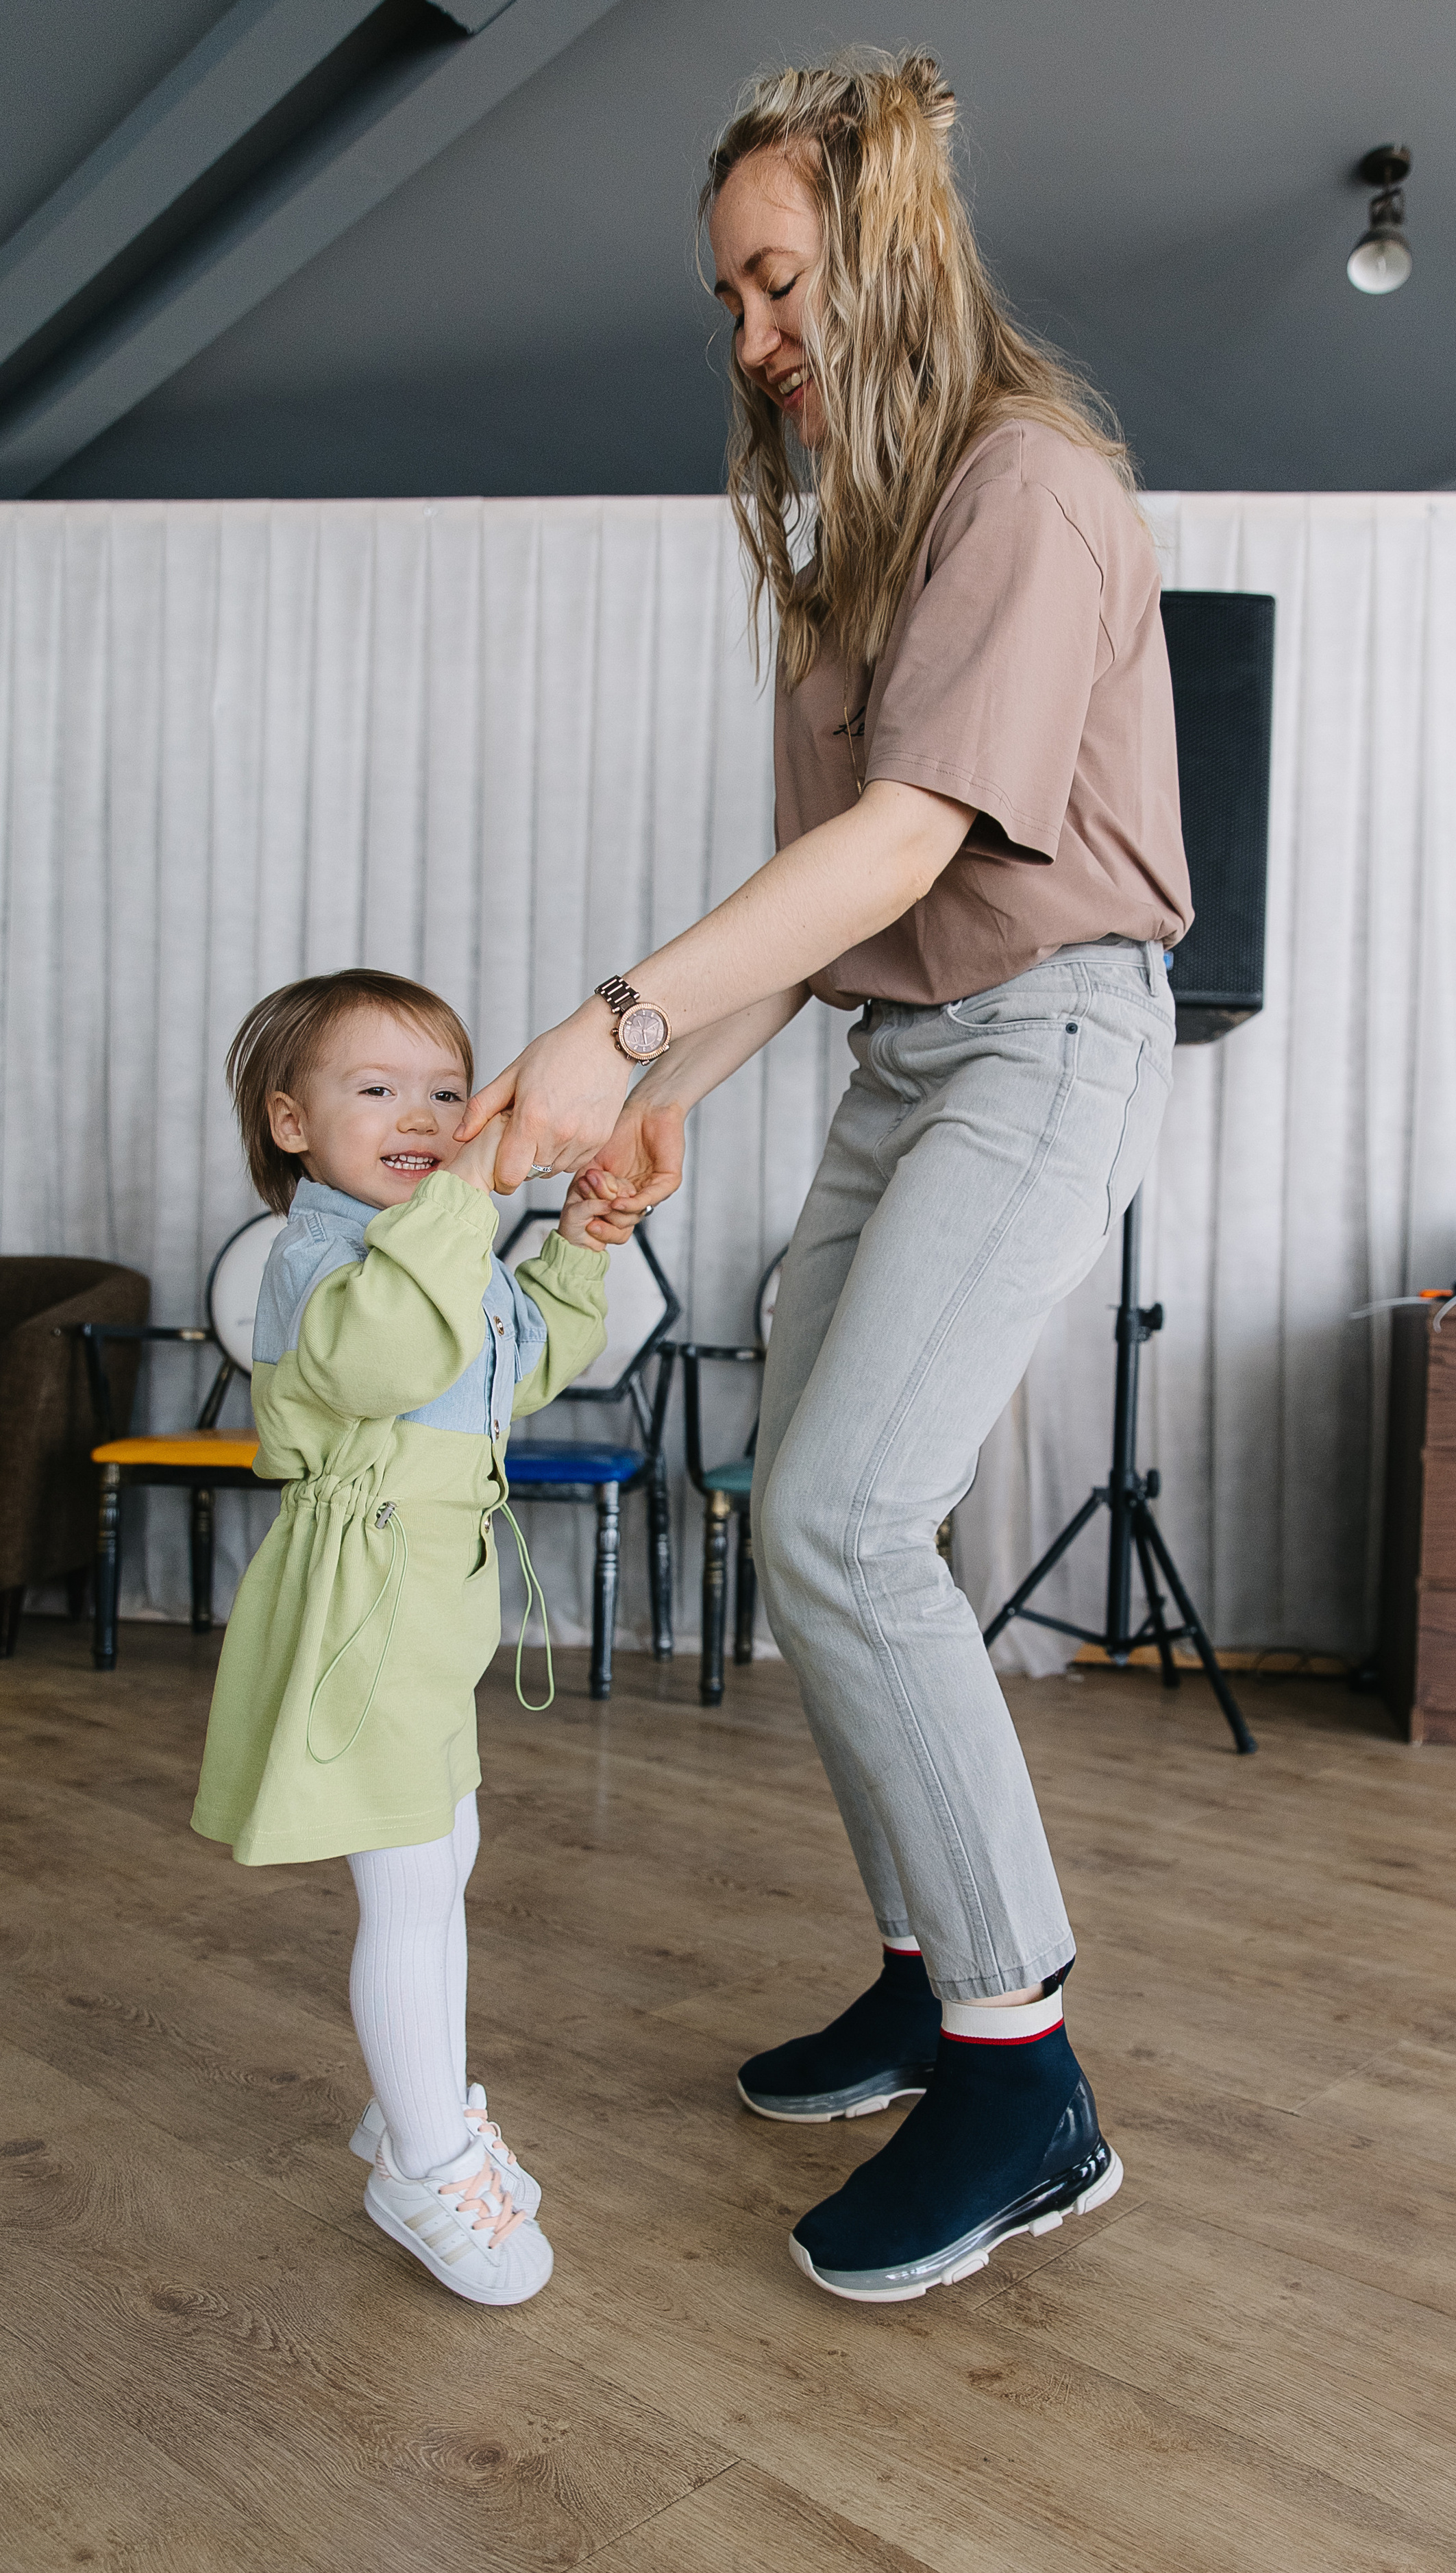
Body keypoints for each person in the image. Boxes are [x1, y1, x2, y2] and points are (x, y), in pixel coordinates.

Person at [460, 49, 1190, 2302]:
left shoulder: (1032, 489)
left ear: (884, 260)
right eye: (733, 303)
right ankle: (920, 1967)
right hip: (908, 1049)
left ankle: (1025, 2074)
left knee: (858, 1517)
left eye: (777, 285)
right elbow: (833, 895)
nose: (753, 338)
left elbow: (920, 841)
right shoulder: (853, 548)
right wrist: (689, 1073)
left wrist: (614, 1025)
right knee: (805, 1507)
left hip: (1050, 1035)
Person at [193, 968, 610, 2307]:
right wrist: (469, 1198)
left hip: (436, 1600)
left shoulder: (437, 1246)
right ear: (291, 1123)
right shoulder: (321, 1257)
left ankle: (412, 2103)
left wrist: (583, 1237)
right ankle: (425, 2166)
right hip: (366, 1595)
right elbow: (380, 1364)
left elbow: (514, 1363)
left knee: (447, 1852)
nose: (424, 1119)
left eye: (446, 1091)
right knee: (409, 1884)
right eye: (374, 1091)